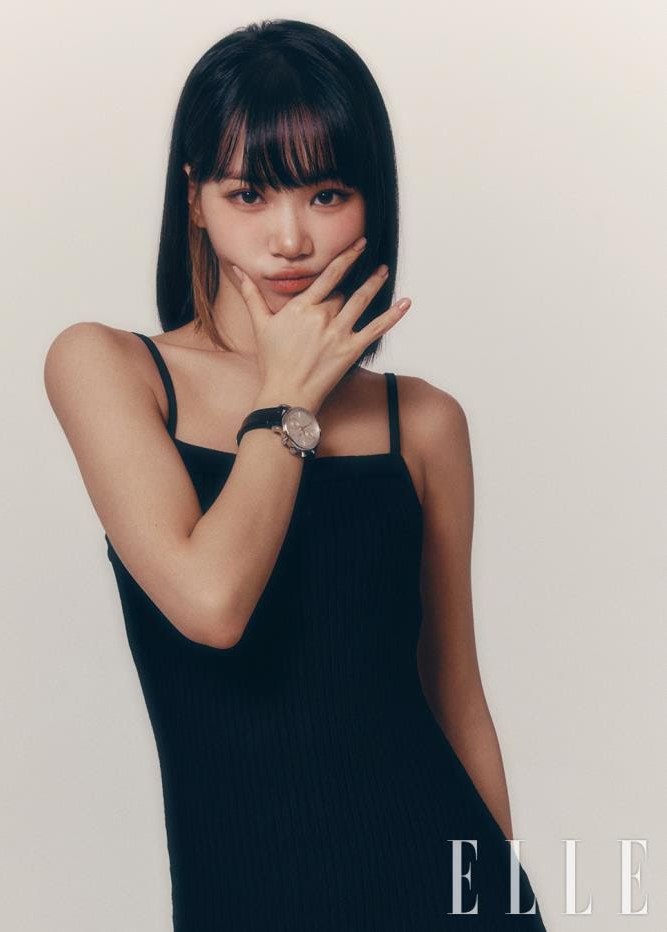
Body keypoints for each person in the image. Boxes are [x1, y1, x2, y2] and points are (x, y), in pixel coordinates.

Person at [44, 18, 548, 931]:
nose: (290, 239)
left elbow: (455, 693)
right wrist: (286, 401)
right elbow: (213, 605)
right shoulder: (109, 369)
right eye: (249, 193)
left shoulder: (422, 422)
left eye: (327, 193)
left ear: (371, 201)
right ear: (194, 198)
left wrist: (499, 894)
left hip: (444, 894)